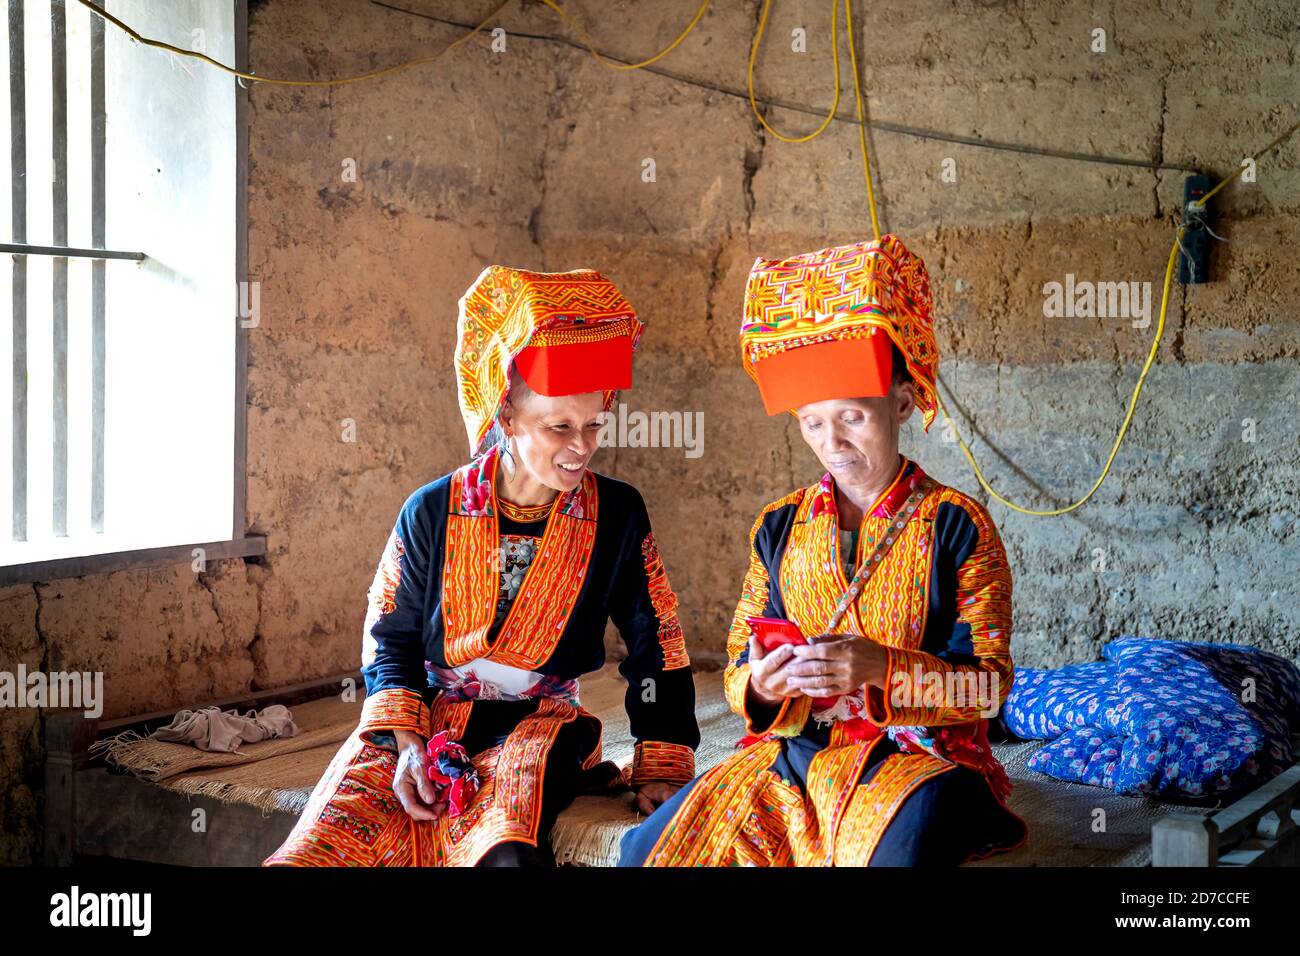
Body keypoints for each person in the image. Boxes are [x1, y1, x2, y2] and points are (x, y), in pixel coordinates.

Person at [265, 265, 700, 867]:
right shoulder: (431, 510)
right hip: (426, 720)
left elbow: (660, 643)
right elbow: (389, 637)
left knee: (501, 851)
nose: (583, 447)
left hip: (539, 724)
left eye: (595, 424)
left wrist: (663, 761)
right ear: (505, 420)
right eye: (559, 428)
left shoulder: (617, 513)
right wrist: (410, 746)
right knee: (321, 851)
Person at [620, 235, 1027, 866]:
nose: (832, 441)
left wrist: (881, 669)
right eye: (813, 422)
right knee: (652, 852)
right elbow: (734, 668)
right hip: (798, 751)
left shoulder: (955, 524)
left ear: (901, 400)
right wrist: (760, 679)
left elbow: (988, 689)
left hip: (922, 761)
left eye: (853, 417)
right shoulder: (779, 526)